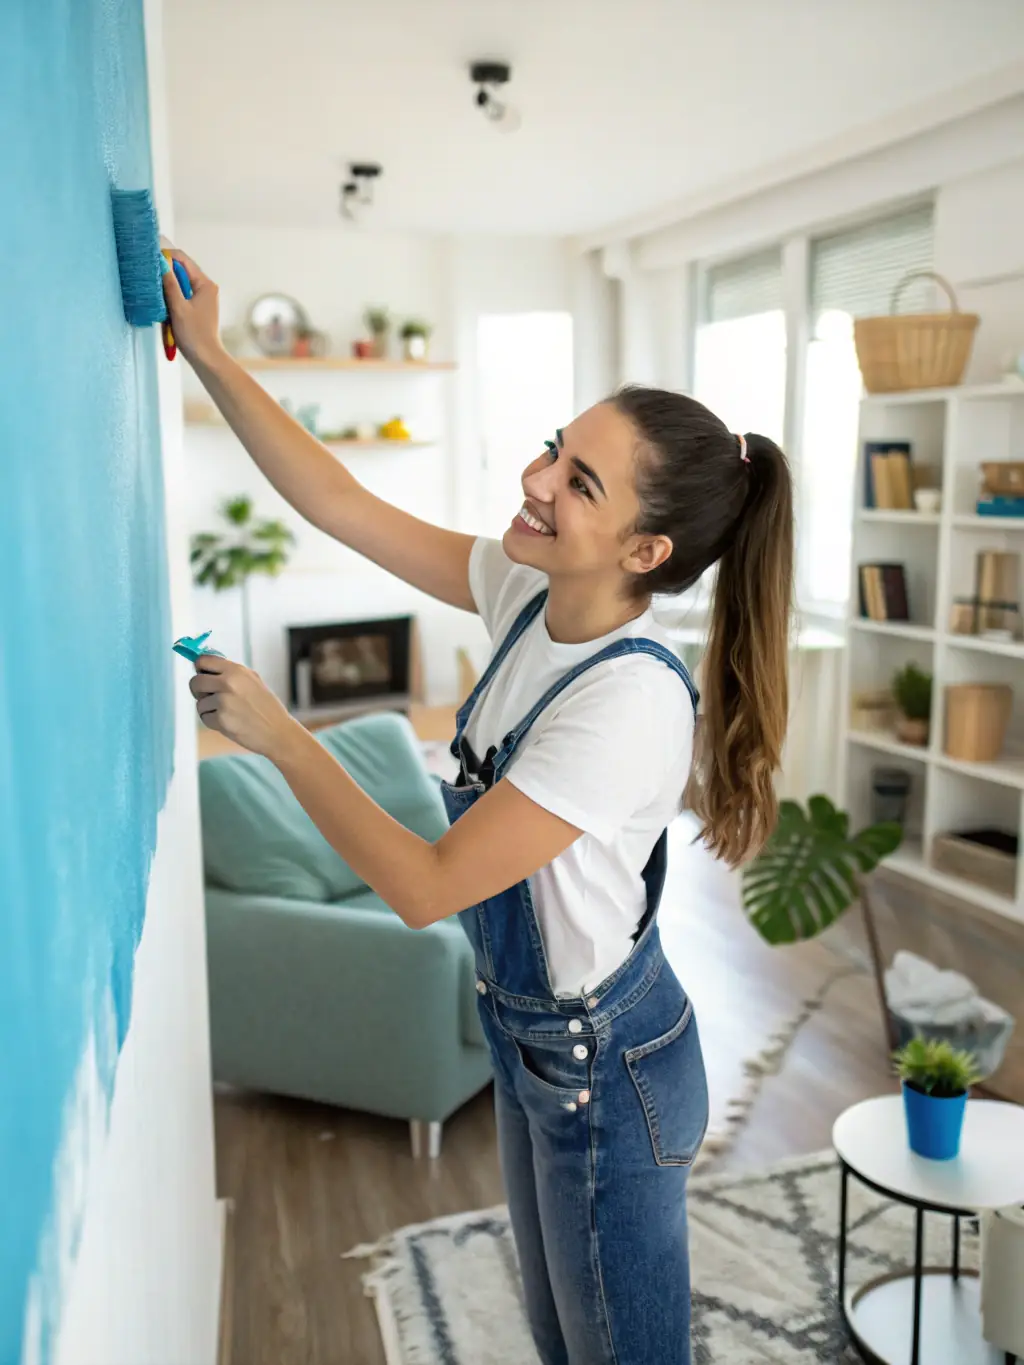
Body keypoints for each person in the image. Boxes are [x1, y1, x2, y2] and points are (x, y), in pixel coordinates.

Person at [162, 252, 794, 1365]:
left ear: (645, 553)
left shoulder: (627, 701)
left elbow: (425, 886)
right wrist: (211, 354)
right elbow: (339, 501)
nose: (538, 478)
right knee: (560, 1337)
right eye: (559, 445)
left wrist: (276, 732)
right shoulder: (524, 591)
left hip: (609, 1063)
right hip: (531, 1037)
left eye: (580, 482)